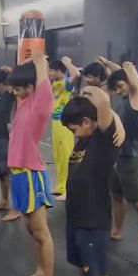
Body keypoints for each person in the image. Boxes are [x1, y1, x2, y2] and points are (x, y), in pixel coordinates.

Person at [61, 87, 124, 276]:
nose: (72, 132)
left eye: (74, 127)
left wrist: (95, 92)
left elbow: (105, 107)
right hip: (76, 219)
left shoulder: (102, 140)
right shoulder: (84, 140)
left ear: (88, 121)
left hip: (93, 222)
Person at [7, 51, 55, 276]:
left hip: (31, 174)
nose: (14, 93)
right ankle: (39, 273)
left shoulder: (40, 105)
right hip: (18, 175)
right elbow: (23, 82)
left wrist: (39, 61)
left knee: (41, 232)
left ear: (31, 86)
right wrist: (24, 66)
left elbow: (43, 82)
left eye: (18, 88)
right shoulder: (24, 102)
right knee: (31, 231)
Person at [103, 58, 138, 267]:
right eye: (115, 89)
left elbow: (132, 78)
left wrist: (128, 66)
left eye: (120, 87)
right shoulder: (126, 98)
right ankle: (118, 230)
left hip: (130, 158)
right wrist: (107, 63)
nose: (118, 91)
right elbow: (121, 75)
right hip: (115, 157)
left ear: (129, 82)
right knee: (117, 196)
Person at [0, 68, 20, 222]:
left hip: (5, 140)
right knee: (1, 173)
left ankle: (16, 208)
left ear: (3, 84)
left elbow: (15, 83)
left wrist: (11, 73)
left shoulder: (10, 96)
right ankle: (4, 200)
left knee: (10, 175)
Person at [49, 60, 75, 201]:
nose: (50, 73)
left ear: (59, 71)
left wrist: (67, 62)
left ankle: (68, 189)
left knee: (66, 156)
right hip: (55, 121)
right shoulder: (55, 83)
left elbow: (76, 74)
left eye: (52, 71)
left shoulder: (67, 83)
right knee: (58, 156)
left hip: (64, 123)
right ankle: (61, 186)